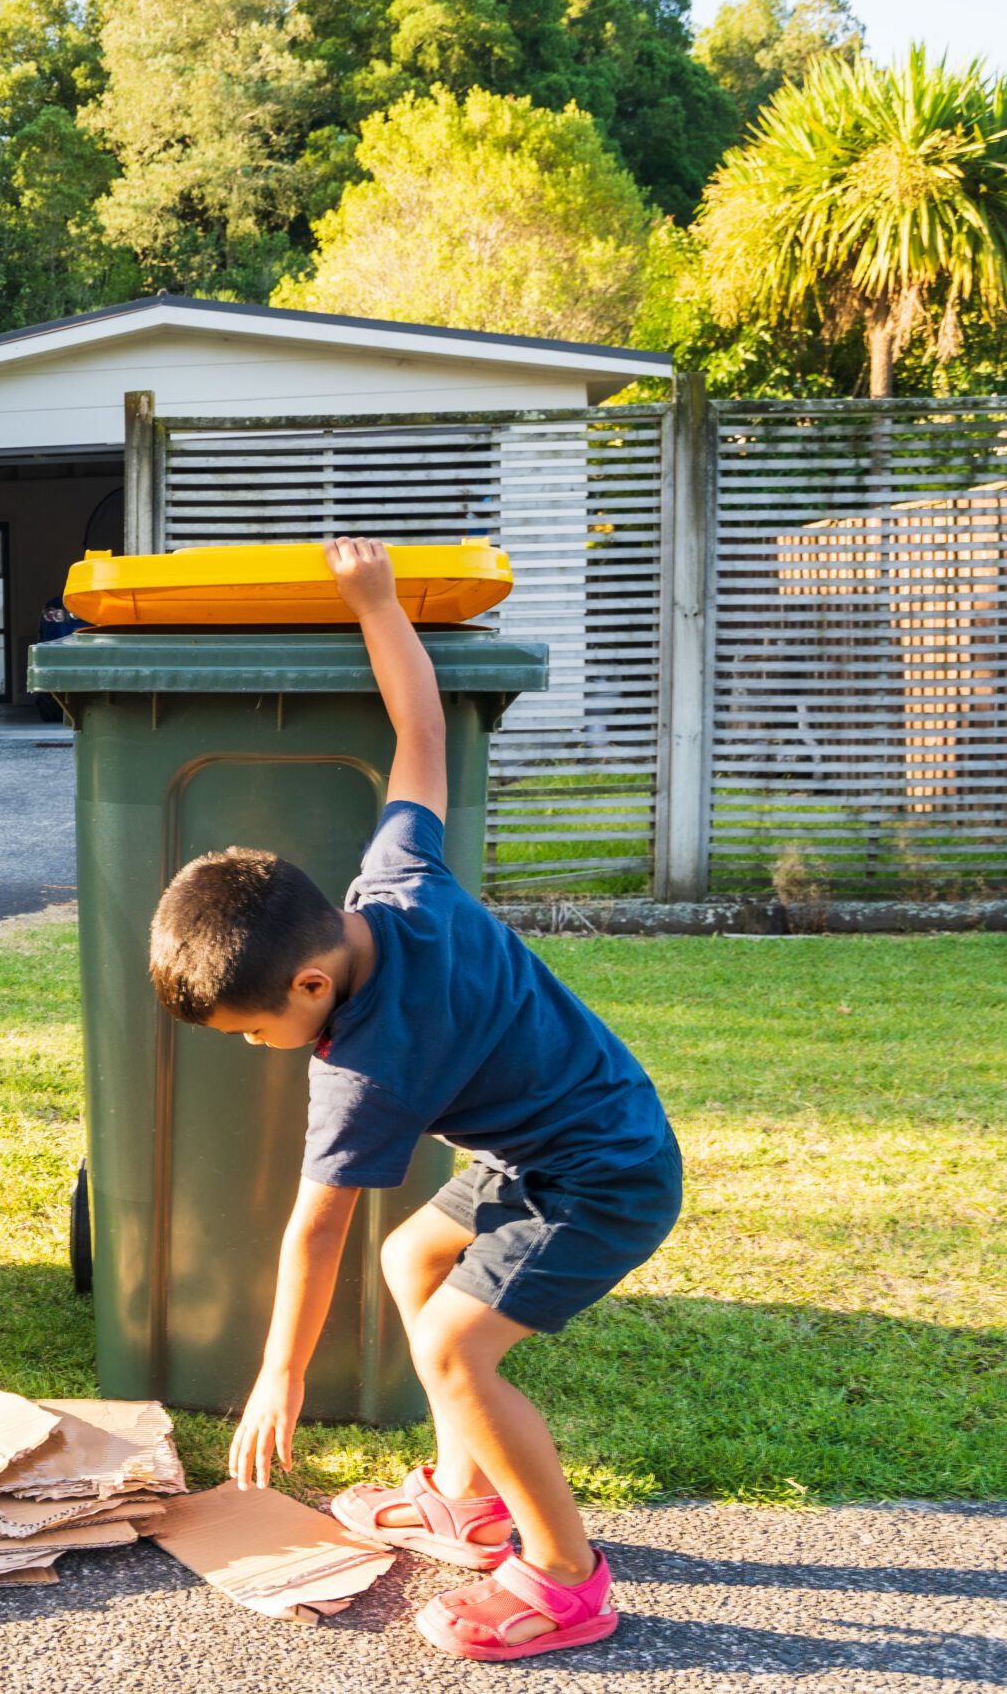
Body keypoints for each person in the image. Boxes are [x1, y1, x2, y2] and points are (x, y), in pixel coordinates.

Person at [145, 537, 682, 1661]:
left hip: (602, 1179)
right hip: (563, 1140)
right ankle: (464, 1497)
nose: (259, 1049)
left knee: (451, 1347)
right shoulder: (398, 882)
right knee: (412, 1259)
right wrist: (376, 604)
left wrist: (280, 1373)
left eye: (251, 1030)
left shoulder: (363, 1065)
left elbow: (316, 1226)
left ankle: (565, 1575)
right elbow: (423, 736)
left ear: (308, 984)